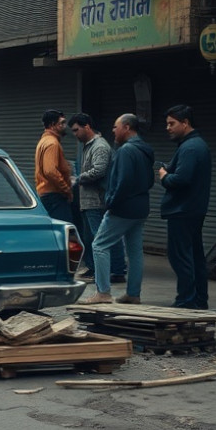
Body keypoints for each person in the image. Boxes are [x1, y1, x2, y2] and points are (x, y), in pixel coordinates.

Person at [79, 114, 154, 305]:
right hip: (141, 207)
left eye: (115, 127)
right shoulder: (146, 150)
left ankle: (103, 292)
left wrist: (110, 202)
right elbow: (150, 180)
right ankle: (133, 294)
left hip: (123, 208)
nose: (113, 131)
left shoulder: (126, 151)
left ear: (126, 127)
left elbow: (122, 182)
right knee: (135, 251)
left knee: (99, 245)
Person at [159, 104, 212, 310]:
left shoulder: (190, 147)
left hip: (182, 210)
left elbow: (181, 180)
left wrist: (164, 176)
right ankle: (199, 300)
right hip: (193, 209)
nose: (168, 128)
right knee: (195, 256)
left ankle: (186, 301)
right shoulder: (196, 145)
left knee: (180, 257)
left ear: (185, 123)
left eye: (172, 124)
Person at [69, 113, 126, 284]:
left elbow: (99, 170)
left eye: (76, 130)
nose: (75, 134)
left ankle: (112, 271)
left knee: (100, 238)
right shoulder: (89, 145)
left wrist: (77, 179)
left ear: (87, 126)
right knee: (94, 237)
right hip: (89, 201)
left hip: (96, 201)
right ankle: (102, 269)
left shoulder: (99, 146)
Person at [35, 109, 73, 222]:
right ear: (52, 125)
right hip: (54, 195)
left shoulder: (44, 141)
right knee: (64, 228)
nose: (65, 126)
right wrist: (66, 189)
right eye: (62, 123)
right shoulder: (52, 143)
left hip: (47, 194)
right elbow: (50, 171)